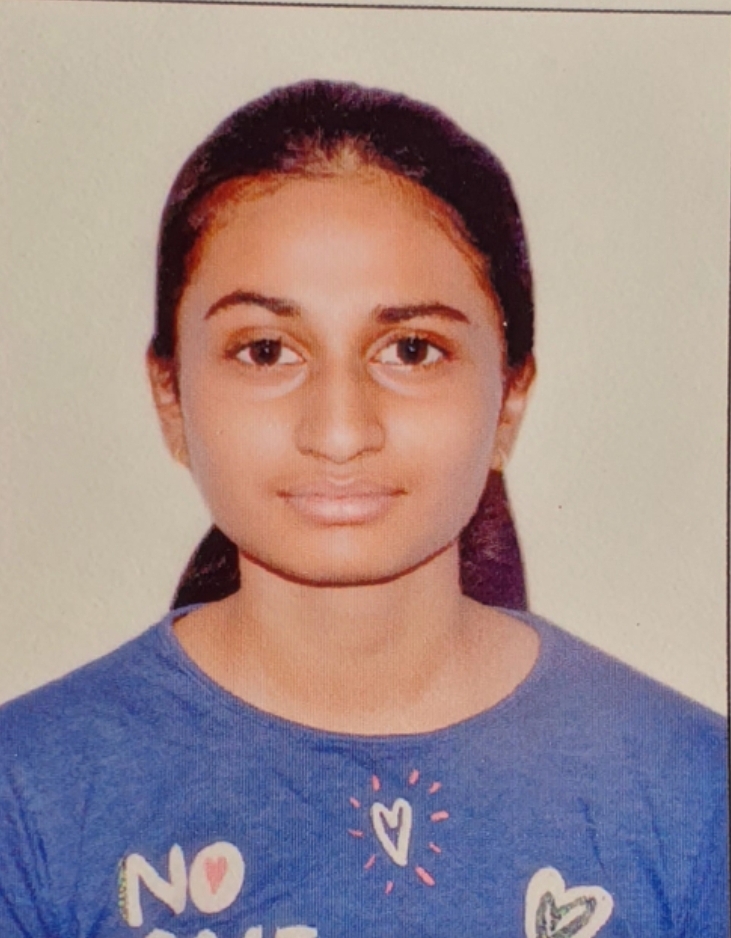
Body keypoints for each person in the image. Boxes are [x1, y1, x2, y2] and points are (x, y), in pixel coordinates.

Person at [0, 80, 726, 938]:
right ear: (170, 396)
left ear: (510, 398)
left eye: (410, 350)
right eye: (265, 351)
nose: (340, 431)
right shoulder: (29, 797)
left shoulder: (691, 795)